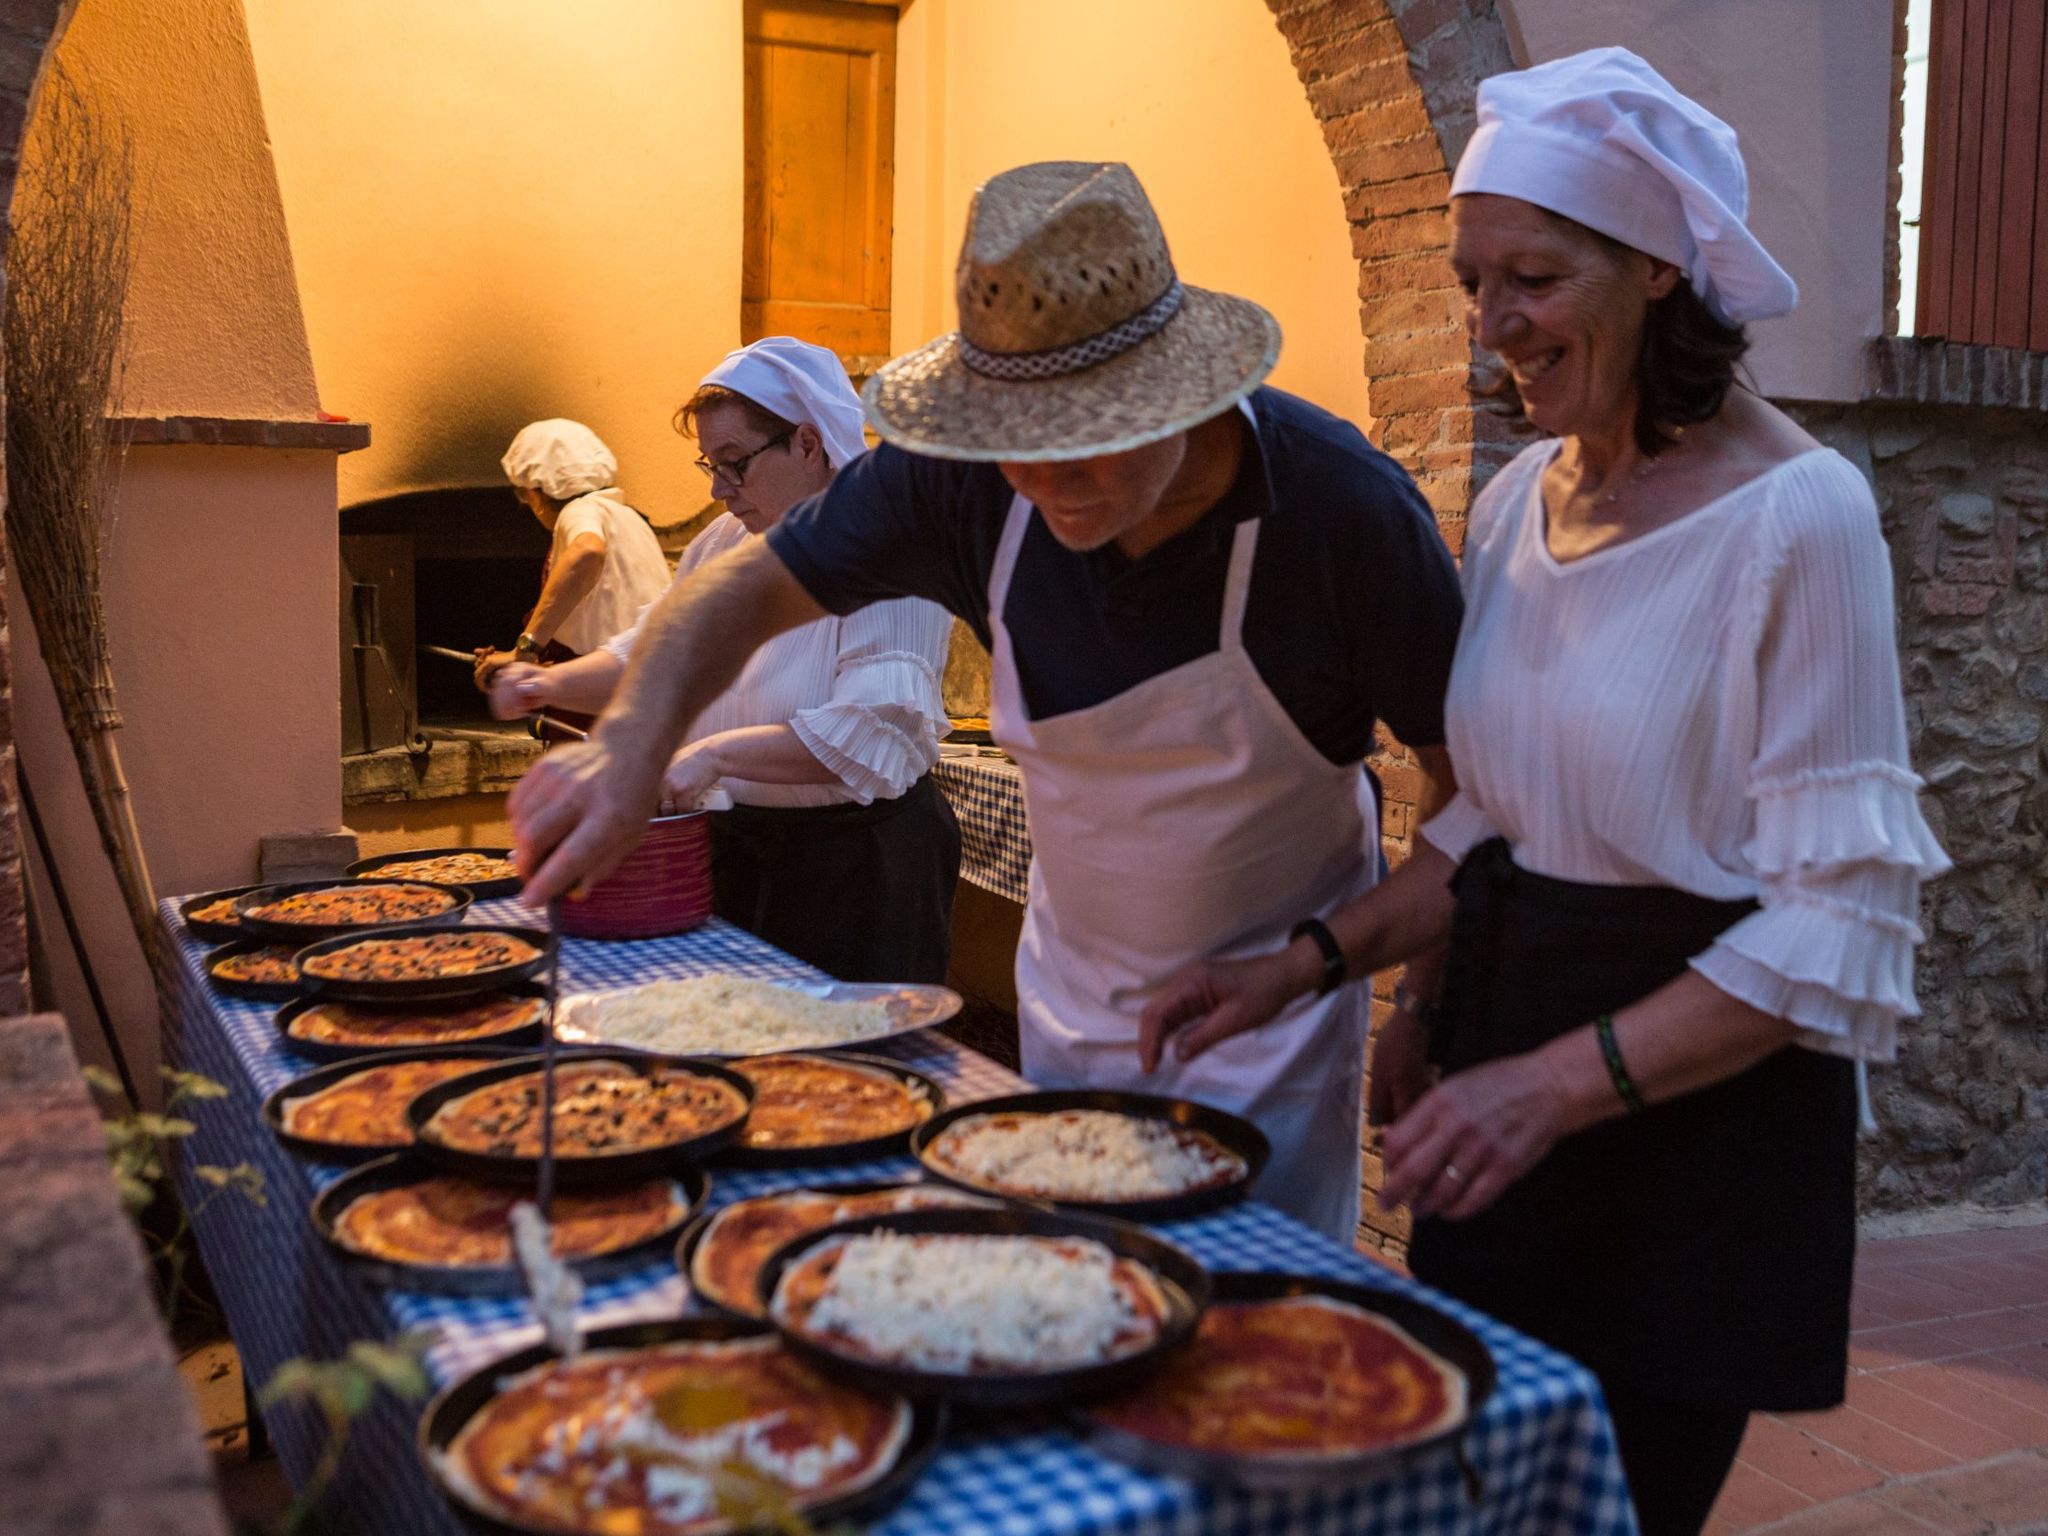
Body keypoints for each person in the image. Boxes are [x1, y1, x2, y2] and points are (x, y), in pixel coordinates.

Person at [1139, 49, 1950, 1535]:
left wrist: (1555, 1082)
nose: (1493, 324)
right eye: (1469, 281)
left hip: (1687, 1116)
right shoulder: (1519, 502)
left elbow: (1841, 922)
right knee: (1482, 1484)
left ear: (1656, 269)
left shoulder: (1801, 519)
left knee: (1617, 1501)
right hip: (1503, 1079)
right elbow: (1493, 818)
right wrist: (1318, 974)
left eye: (1532, 277)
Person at [505, 162, 1465, 1242]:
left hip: (1266, 1041)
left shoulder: (1342, 517)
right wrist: (632, 741)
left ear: (1178, 389)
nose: (1047, 485)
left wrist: (1368, 983)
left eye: (1086, 443)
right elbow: (732, 592)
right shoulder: (955, 479)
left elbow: (1474, 810)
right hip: (1066, 1009)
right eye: (1018, 450)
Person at [488, 339, 960, 984]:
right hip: (744, 845)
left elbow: (865, 732)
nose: (718, 488)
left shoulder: (894, 551)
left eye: (735, 463)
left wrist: (710, 755)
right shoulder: (730, 537)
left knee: (844, 1064)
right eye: (710, 464)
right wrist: (546, 683)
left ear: (808, 443)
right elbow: (658, 655)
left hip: (856, 864)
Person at [474, 419, 670, 733]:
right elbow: (604, 620)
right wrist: (529, 664)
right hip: (646, 691)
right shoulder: (629, 518)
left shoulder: (578, 512)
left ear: (536, 491)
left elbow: (587, 552)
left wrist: (525, 651)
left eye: (524, 495)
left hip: (609, 700)